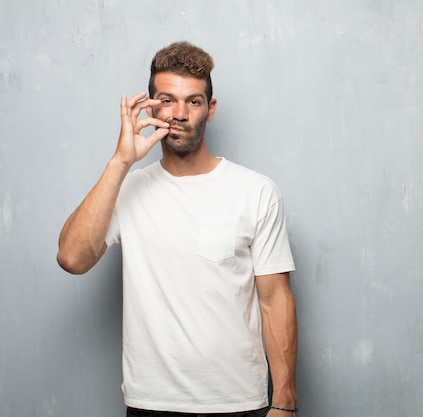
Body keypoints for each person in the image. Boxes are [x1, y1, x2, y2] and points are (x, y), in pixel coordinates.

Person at [57, 41, 298, 417]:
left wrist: (284, 401)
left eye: (194, 101)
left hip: (239, 404)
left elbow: (275, 301)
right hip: (151, 404)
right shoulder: (128, 189)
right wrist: (121, 161)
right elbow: (72, 258)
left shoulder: (256, 191)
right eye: (167, 100)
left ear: (210, 109)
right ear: (151, 106)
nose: (180, 114)